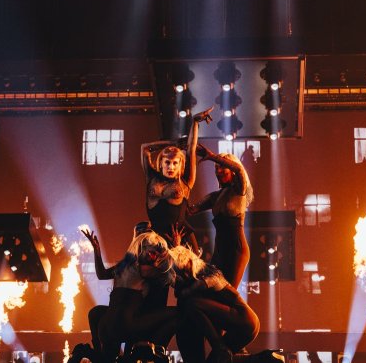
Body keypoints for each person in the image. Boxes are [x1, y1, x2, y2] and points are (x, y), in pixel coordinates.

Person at [80, 226, 177, 363]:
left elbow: (101, 274)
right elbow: (170, 271)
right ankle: (155, 348)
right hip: (126, 326)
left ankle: (101, 355)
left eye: (155, 252)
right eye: (151, 251)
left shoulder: (124, 265)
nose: (153, 255)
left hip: (106, 328)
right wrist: (176, 247)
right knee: (176, 313)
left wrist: (97, 252)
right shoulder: (145, 269)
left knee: (95, 312)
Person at [168, 241, 259, 363]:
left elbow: (188, 292)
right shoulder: (196, 276)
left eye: (184, 269)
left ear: (190, 262)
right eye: (180, 273)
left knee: (191, 303)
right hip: (242, 327)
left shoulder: (208, 275)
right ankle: (265, 358)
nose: (184, 275)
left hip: (244, 320)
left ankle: (219, 347)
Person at [141, 107, 213, 250]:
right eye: (167, 162)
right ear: (161, 163)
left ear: (180, 165)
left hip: (182, 239)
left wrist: (195, 123)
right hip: (155, 238)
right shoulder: (151, 176)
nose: (171, 167)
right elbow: (145, 149)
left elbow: (191, 148)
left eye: (175, 163)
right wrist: (172, 144)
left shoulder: (185, 182)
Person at [192, 150, 253, 287]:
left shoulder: (239, 190)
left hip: (236, 250)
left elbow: (239, 170)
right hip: (219, 251)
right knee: (212, 292)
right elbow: (191, 210)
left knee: (228, 293)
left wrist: (213, 157)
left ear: (232, 170)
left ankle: (244, 310)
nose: (218, 170)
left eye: (222, 166)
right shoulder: (216, 196)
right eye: (216, 168)